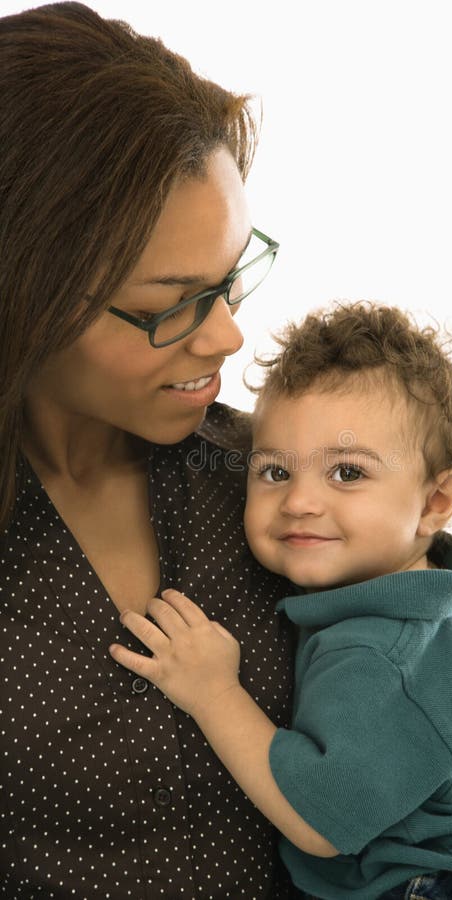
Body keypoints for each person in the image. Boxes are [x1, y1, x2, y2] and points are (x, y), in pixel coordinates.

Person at [111, 301, 452, 900]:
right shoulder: (434, 600)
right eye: (274, 472)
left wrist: (214, 693)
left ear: (436, 501)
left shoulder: (388, 651)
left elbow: (322, 821)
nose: (300, 501)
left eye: (347, 473)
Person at [0, 3, 300, 896]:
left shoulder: (275, 479)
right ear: (26, 295)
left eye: (231, 278)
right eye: (173, 302)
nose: (229, 338)